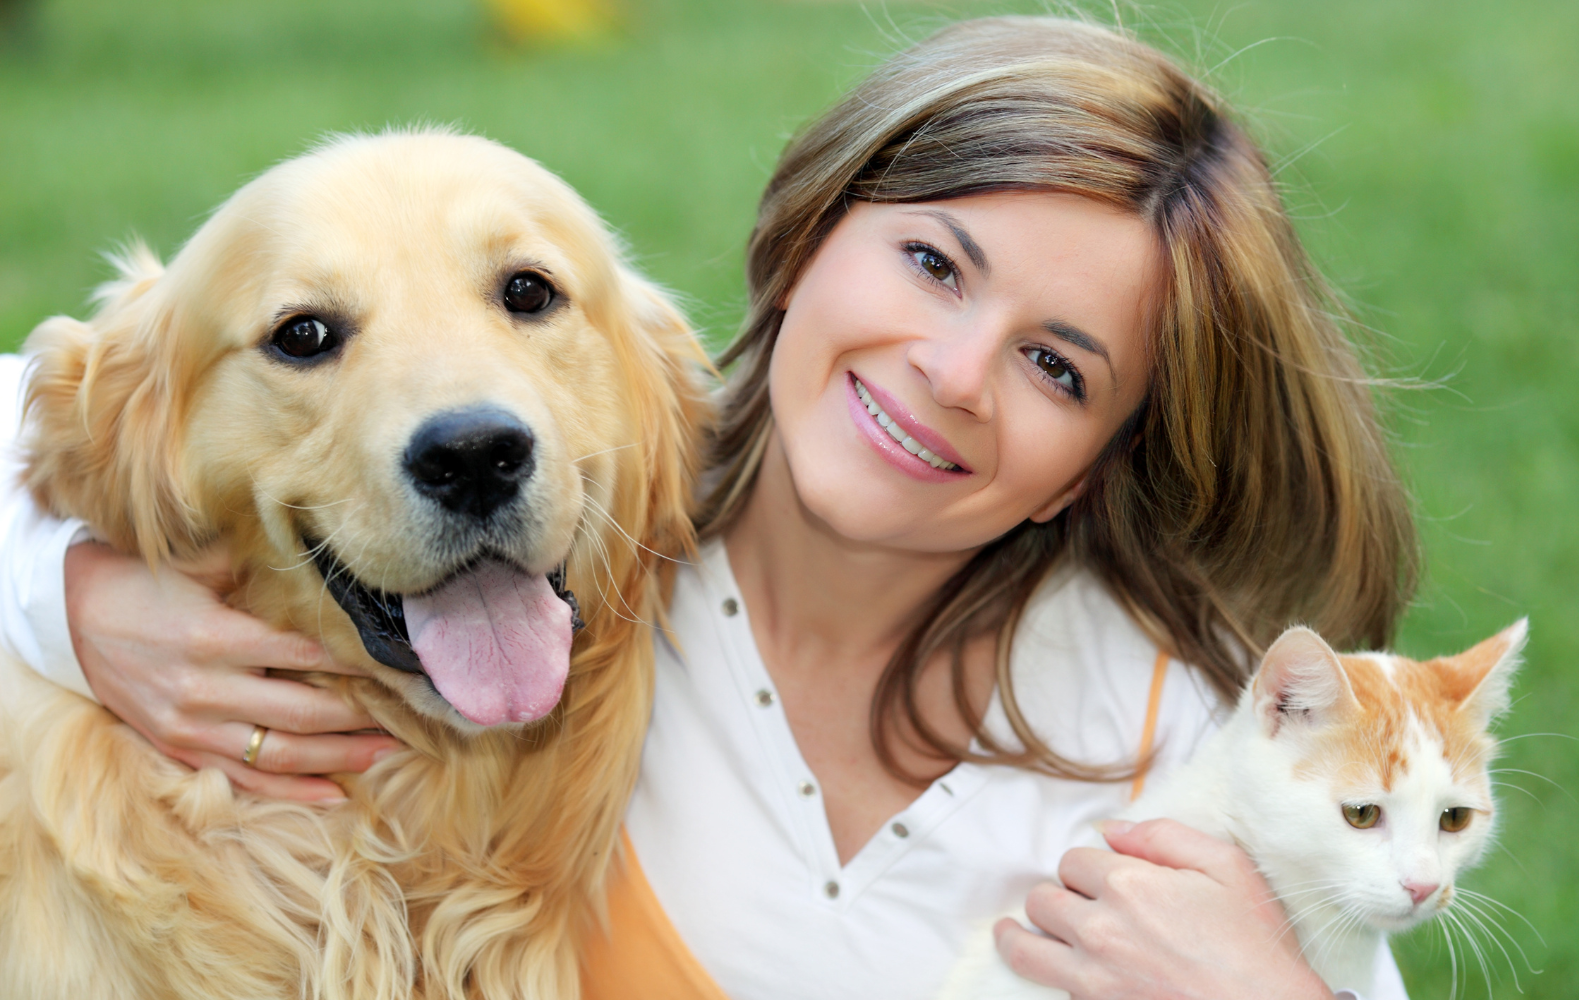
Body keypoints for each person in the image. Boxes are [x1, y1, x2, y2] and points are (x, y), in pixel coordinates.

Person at [0, 17, 1419, 1000]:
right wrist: (62, 591)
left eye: (1059, 366)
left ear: (1106, 453)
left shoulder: (1189, 743)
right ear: (805, 237)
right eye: (934, 264)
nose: (952, 374)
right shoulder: (625, 550)